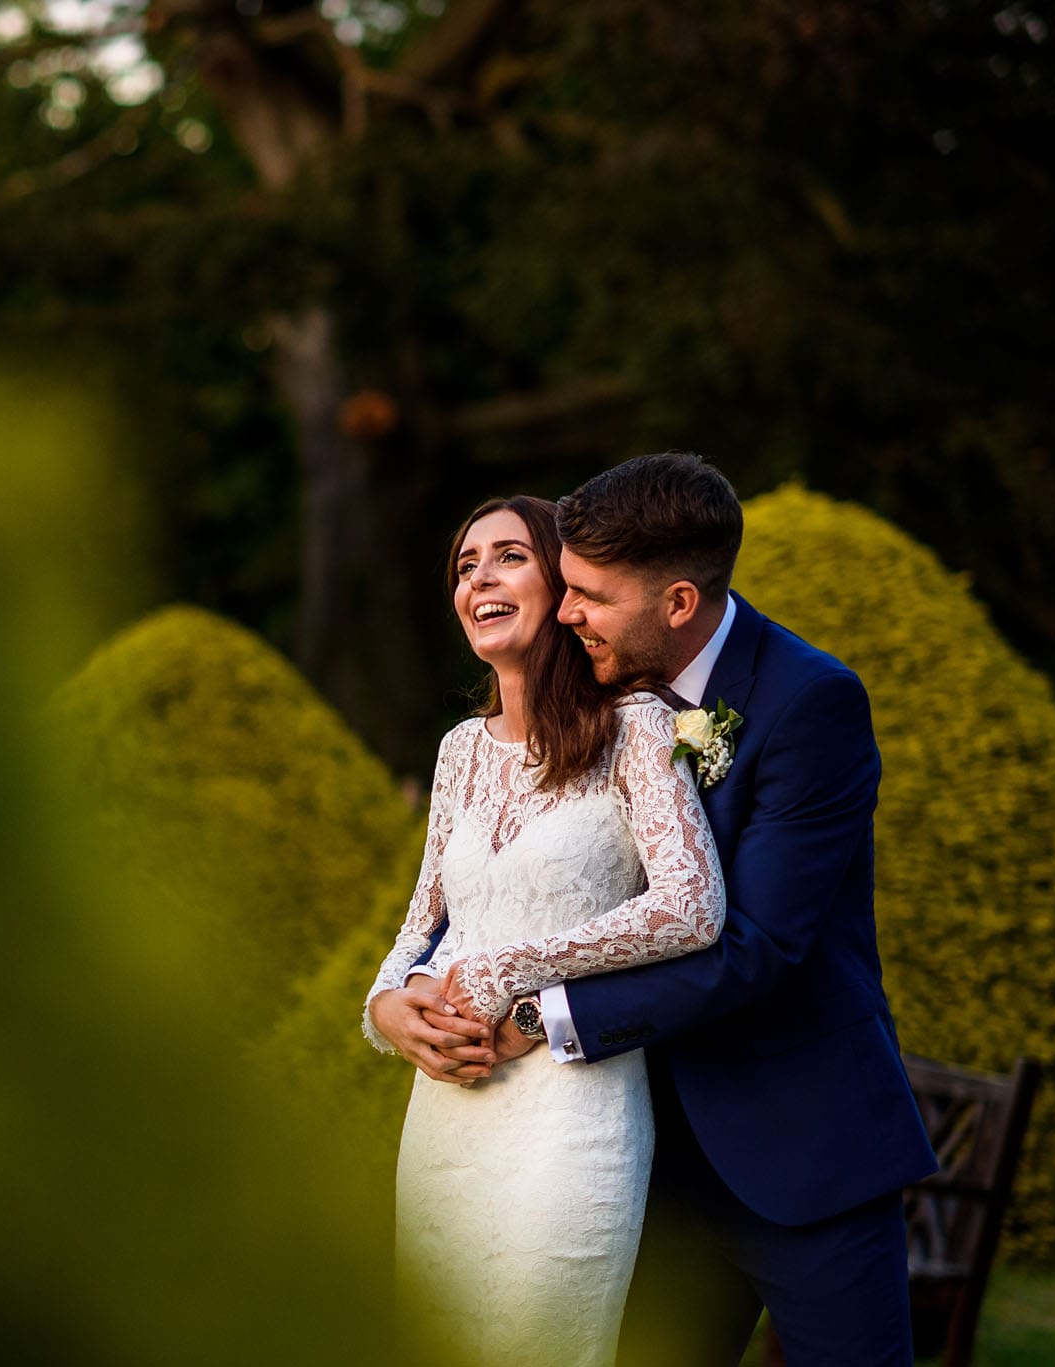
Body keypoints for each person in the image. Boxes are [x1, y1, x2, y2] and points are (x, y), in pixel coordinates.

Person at [377, 453, 939, 1366]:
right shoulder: (588, 694)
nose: (567, 611)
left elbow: (757, 944)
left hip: (797, 1147)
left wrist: (544, 1014)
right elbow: (499, 882)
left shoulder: (808, 703)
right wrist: (395, 997)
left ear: (677, 602)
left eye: (589, 595)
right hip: (632, 1153)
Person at [362, 492, 727, 1366]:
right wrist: (386, 1006)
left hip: (574, 1110)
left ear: (564, 588)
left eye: (508, 556)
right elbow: (422, 924)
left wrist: (514, 967)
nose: (479, 578)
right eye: (466, 565)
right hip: (448, 1111)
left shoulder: (638, 727)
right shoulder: (458, 751)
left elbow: (692, 904)